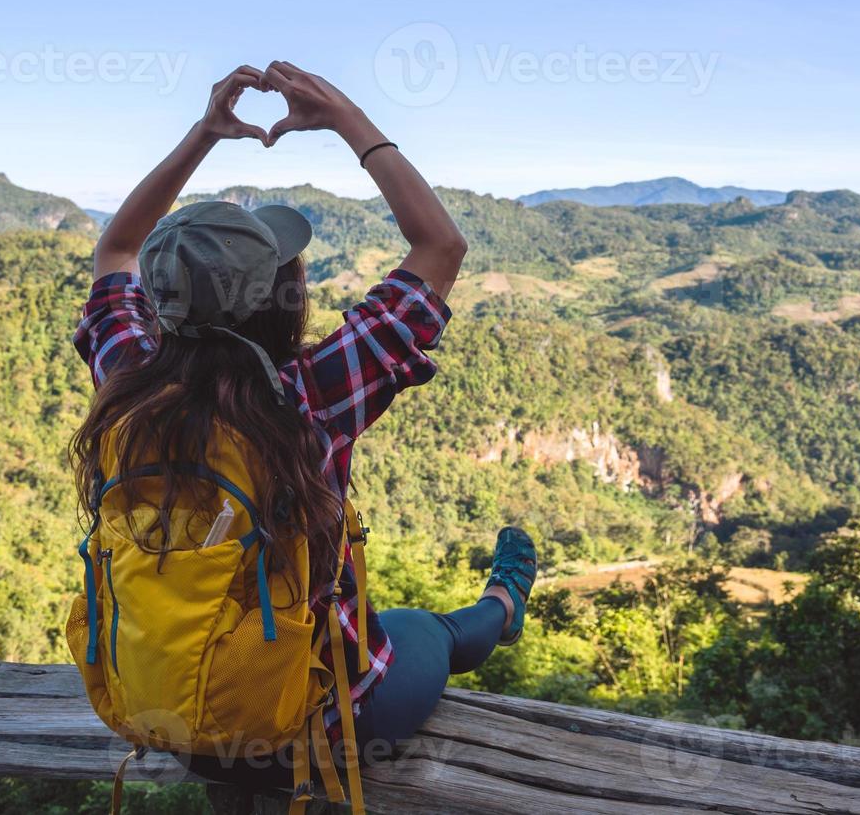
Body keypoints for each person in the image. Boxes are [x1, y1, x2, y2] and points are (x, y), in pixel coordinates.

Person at [69, 61, 536, 793]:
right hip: (315, 721)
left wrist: (202, 135)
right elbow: (440, 247)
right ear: (280, 297)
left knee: (395, 627)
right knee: (425, 631)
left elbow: (115, 252)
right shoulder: (308, 394)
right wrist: (346, 116)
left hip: (163, 715)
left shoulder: (126, 379)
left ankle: (493, 608)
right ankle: (502, 605)